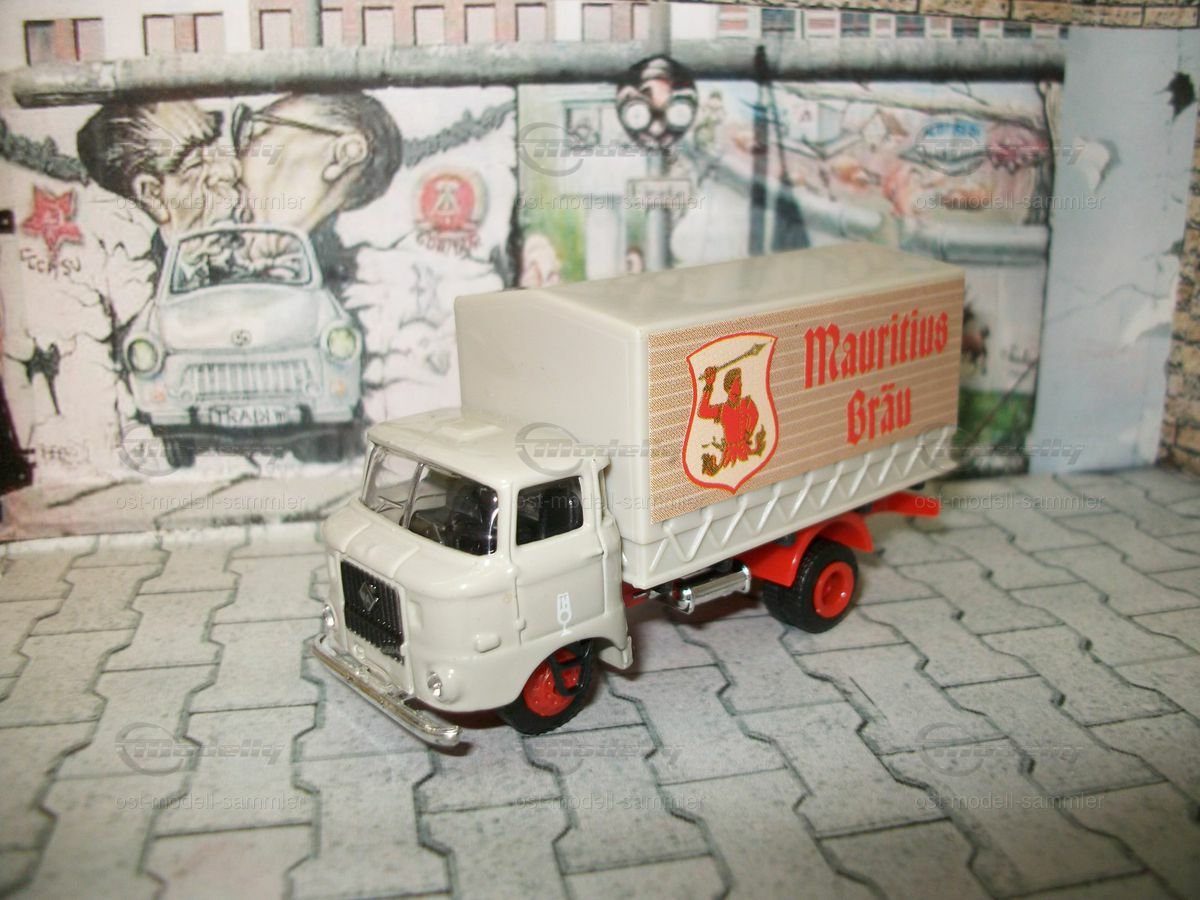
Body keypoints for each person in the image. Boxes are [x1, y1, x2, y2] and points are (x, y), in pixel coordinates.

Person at [76, 101, 244, 273]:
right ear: (151, 194)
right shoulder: (138, 278)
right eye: (197, 164)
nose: (230, 171)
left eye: (217, 152)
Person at [698, 366, 760, 473]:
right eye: (738, 381)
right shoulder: (722, 409)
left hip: (745, 451)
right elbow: (702, 412)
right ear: (730, 385)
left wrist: (746, 435)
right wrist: (709, 384)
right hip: (728, 455)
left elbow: (754, 416)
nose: (741, 384)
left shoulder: (747, 403)